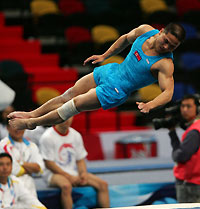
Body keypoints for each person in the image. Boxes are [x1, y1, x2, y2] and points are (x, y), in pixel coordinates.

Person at [8, 23, 185, 130]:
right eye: (166, 41)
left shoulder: (165, 64)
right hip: (111, 70)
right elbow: (124, 38)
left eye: (173, 46)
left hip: (117, 90)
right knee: (67, 95)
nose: (167, 47)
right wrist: (104, 56)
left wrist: (150, 104)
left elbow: (168, 92)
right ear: (161, 31)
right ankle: (31, 114)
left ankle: (32, 123)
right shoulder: (145, 31)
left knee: (73, 105)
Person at [39, 117, 110, 209]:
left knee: (103, 184)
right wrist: (68, 176)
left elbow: (80, 159)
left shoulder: (75, 135)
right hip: (52, 174)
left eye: (69, 116)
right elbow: (49, 163)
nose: (67, 120)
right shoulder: (47, 137)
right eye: (63, 117)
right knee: (66, 186)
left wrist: (83, 173)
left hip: (72, 173)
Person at [168, 94, 200, 203]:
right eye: (183, 106)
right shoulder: (195, 128)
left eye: (189, 106)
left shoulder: (194, 131)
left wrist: (172, 134)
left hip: (191, 185)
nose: (185, 110)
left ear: (197, 108)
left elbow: (180, 156)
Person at [0, 120, 45, 197]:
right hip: (10, 188)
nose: (18, 130)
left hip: (30, 187)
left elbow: (40, 169)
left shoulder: (32, 146)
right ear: (7, 128)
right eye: (14, 127)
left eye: (21, 127)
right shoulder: (2, 145)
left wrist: (20, 163)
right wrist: (30, 169)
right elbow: (13, 170)